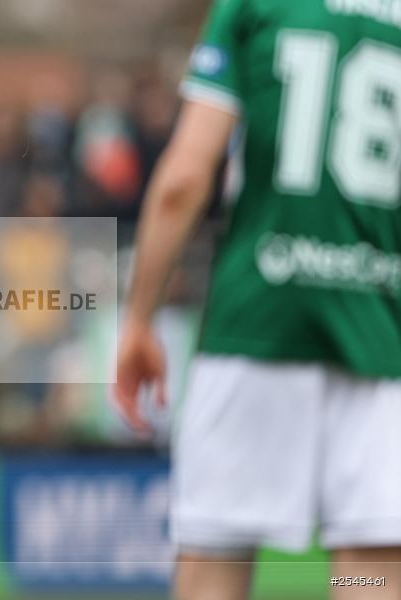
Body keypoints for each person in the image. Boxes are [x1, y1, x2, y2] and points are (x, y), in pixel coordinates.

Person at [114, 2, 401, 599]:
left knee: (213, 569)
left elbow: (185, 179)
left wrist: (140, 318)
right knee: (370, 571)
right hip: (382, 339)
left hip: (255, 326)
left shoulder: (254, 5)